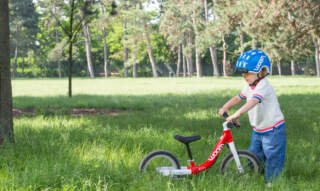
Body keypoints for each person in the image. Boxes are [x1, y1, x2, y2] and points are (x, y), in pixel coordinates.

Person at [218, 49, 286, 185]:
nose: (244, 76)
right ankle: (256, 175)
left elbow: (253, 101)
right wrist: (225, 107)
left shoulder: (263, 86)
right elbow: (239, 97)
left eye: (248, 73)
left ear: (262, 71)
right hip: (258, 130)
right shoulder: (249, 85)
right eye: (243, 73)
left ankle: (271, 183)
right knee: (253, 156)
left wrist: (237, 114)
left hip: (273, 130)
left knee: (273, 157)